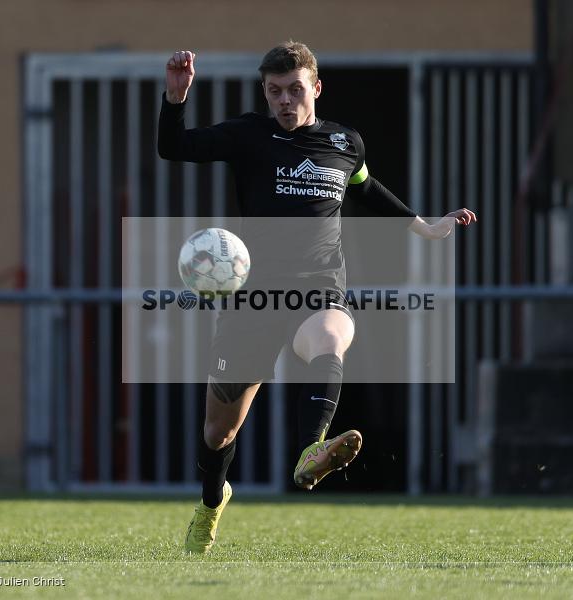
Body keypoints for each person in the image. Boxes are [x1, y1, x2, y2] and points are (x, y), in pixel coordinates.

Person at [158, 42, 477, 554]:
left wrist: (424, 226)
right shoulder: (248, 135)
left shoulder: (345, 143)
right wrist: (175, 101)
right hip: (253, 299)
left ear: (316, 88)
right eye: (274, 91)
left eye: (294, 90)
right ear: (265, 91)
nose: (284, 100)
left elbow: (367, 188)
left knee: (332, 334)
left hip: (319, 285)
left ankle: (312, 448)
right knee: (219, 432)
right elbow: (173, 149)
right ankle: (212, 501)